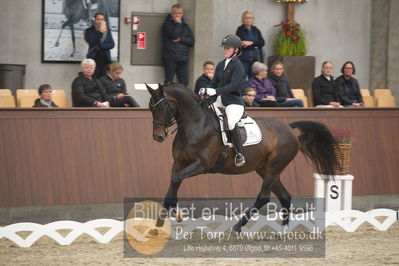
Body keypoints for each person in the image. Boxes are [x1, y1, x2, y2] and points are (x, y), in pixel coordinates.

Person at [199, 35, 246, 167]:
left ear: (236, 50)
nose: (225, 50)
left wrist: (215, 91)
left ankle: (239, 154)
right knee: (205, 115)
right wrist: (206, 90)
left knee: (231, 123)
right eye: (224, 48)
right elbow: (214, 83)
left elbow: (234, 85)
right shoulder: (220, 64)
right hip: (220, 100)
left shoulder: (238, 65)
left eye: (228, 48)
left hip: (234, 102)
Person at [162, 4, 195, 86]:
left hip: (183, 58)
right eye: (175, 13)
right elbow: (174, 35)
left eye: (179, 13)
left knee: (184, 83)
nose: (177, 15)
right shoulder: (167, 25)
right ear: (171, 13)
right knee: (169, 82)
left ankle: (181, 99)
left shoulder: (186, 26)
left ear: (182, 14)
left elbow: (192, 41)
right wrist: (178, 24)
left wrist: (181, 39)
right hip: (170, 57)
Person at [235, 10, 265, 79]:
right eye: (246, 18)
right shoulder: (240, 30)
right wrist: (255, 45)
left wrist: (251, 43)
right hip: (243, 59)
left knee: (254, 79)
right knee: (241, 78)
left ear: (253, 20)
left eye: (250, 18)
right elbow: (241, 45)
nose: (248, 20)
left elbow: (262, 43)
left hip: (255, 59)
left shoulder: (256, 30)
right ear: (243, 19)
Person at [85, 12, 115, 78]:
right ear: (95, 20)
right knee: (94, 78)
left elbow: (112, 44)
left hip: (105, 59)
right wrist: (100, 32)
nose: (100, 21)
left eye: (102, 19)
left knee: (104, 78)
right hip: (94, 58)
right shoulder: (90, 31)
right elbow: (92, 42)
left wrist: (101, 46)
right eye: (98, 19)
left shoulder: (108, 31)